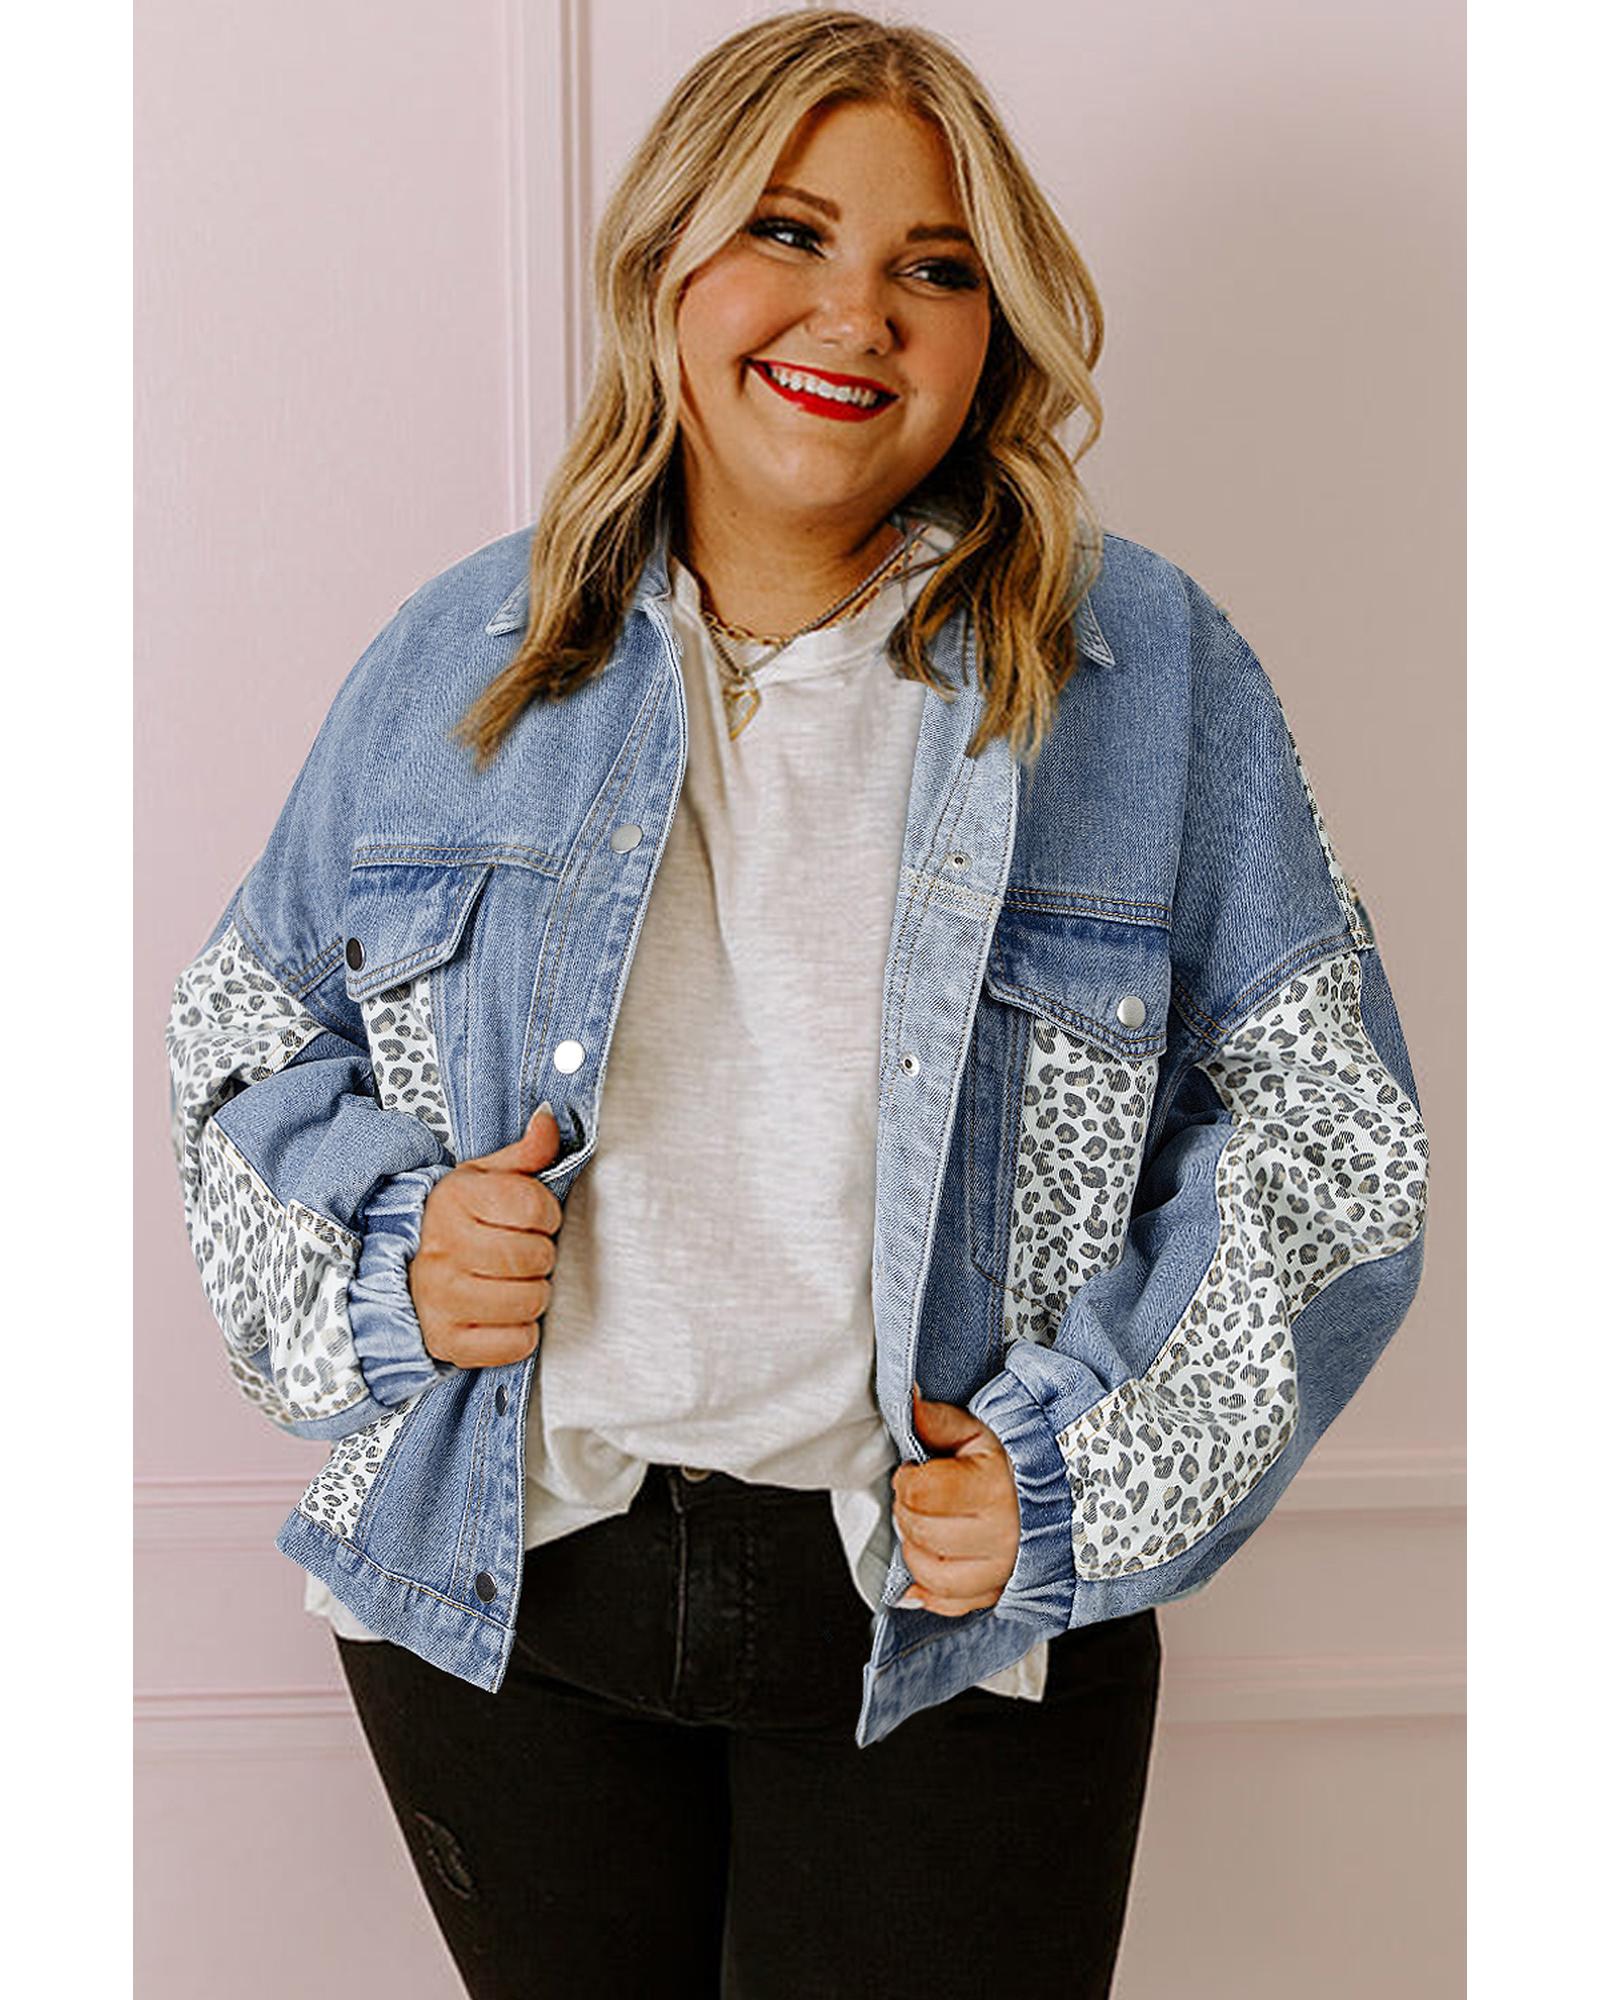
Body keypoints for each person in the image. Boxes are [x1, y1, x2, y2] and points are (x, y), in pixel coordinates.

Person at [162, 9, 1431, 1997]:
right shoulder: (461, 658)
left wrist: (1071, 1477)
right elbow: (234, 1045)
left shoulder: (1137, 675)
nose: (857, 312)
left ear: (994, 331)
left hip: (942, 1622)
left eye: (936, 266)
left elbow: (1331, 1141)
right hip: (510, 1602)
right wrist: (399, 1260)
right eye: (788, 230)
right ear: (668, 261)